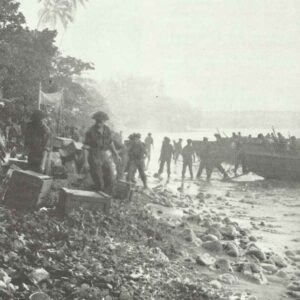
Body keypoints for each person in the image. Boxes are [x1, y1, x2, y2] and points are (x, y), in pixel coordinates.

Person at [82, 111, 120, 194]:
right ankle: (98, 196)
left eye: (101, 121)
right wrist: (86, 162)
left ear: (104, 121)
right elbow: (86, 147)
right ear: (95, 120)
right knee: (98, 179)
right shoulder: (90, 131)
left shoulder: (107, 129)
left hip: (105, 154)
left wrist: (116, 154)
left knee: (109, 177)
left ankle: (106, 196)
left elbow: (110, 142)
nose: (99, 123)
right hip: (94, 155)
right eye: (97, 121)